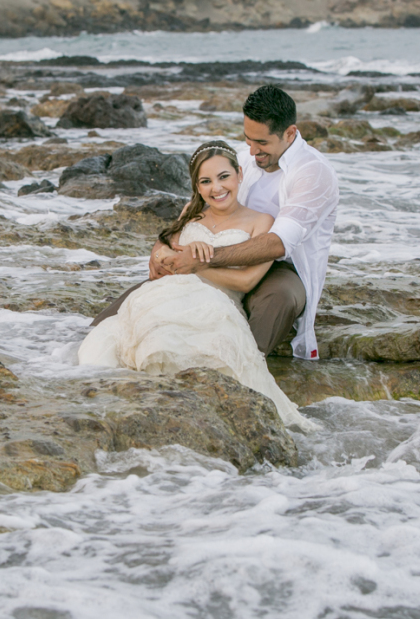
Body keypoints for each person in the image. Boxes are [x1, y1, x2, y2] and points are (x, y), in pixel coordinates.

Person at [94, 84, 339, 361]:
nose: (253, 151)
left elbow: (278, 243)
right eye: (248, 140)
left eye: (262, 143)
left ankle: (242, 364)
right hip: (219, 254)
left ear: (289, 133)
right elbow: (198, 207)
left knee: (279, 298)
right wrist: (160, 248)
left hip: (283, 268)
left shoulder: (313, 173)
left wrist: (203, 260)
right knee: (132, 310)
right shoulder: (242, 160)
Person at [78, 141, 310, 428]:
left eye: (224, 177)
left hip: (215, 303)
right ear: (197, 187)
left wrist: (199, 264)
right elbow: (164, 257)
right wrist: (171, 257)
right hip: (164, 293)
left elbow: (247, 281)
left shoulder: (261, 221)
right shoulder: (191, 211)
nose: (217, 188)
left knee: (175, 349)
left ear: (239, 174)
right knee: (106, 345)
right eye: (206, 181)